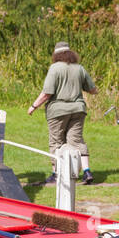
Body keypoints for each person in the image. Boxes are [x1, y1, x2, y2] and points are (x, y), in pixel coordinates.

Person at [27, 41, 96, 185]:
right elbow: (92, 89)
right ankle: (87, 171)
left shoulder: (54, 68)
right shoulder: (79, 68)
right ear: (70, 53)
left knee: (56, 142)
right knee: (76, 141)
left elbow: (47, 93)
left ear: (56, 54)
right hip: (78, 110)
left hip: (57, 111)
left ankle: (56, 173)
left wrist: (34, 106)